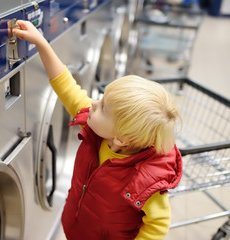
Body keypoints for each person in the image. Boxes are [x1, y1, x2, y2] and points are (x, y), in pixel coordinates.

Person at [13, 20, 183, 240]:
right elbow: (66, 85)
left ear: (121, 138)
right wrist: (41, 43)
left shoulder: (146, 182)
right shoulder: (98, 128)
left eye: (103, 107)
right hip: (77, 227)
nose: (93, 103)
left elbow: (157, 225)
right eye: (101, 99)